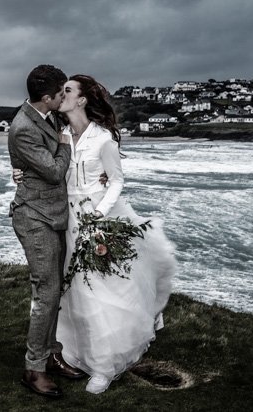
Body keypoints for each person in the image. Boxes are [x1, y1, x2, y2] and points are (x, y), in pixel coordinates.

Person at [16, 74, 176, 394]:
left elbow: (116, 180)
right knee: (70, 288)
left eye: (69, 90)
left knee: (100, 288)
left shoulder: (103, 138)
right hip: (64, 217)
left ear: (81, 100)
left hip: (97, 215)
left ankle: (104, 366)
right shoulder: (56, 133)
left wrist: (99, 214)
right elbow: (46, 169)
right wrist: (21, 171)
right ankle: (68, 353)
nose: (62, 94)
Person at [7, 65, 88, 399]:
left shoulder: (46, 115)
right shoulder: (23, 127)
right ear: (46, 97)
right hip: (34, 217)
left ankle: (52, 353)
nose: (63, 97)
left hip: (54, 214)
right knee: (46, 294)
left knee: (54, 291)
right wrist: (66, 145)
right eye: (60, 93)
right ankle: (34, 369)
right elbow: (55, 172)